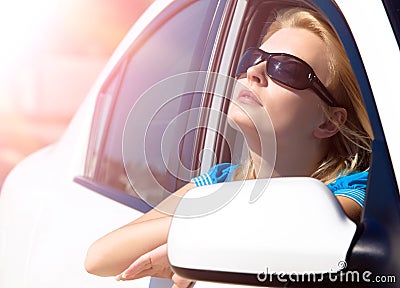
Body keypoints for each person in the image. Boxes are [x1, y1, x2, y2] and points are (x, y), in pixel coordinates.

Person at [84, 7, 372, 288]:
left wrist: (197, 236)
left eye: (286, 69)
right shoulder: (220, 180)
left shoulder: (357, 188)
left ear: (329, 122)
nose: (254, 72)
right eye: (253, 58)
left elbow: (303, 224)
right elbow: (99, 258)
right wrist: (194, 238)